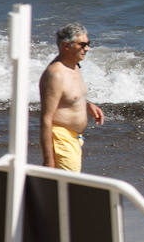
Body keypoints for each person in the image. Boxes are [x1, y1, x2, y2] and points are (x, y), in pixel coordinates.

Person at [37, 24, 104, 171]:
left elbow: (69, 94)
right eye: (82, 45)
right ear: (66, 46)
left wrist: (87, 104)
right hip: (61, 138)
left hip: (74, 138)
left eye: (88, 44)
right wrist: (48, 161)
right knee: (67, 188)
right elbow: (46, 119)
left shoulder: (74, 65)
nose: (87, 49)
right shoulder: (56, 74)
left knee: (64, 189)